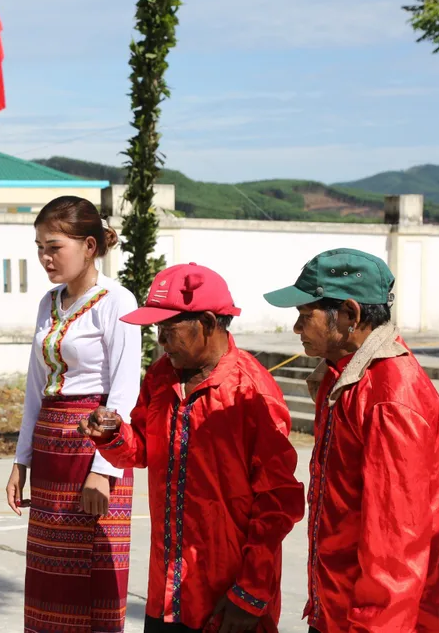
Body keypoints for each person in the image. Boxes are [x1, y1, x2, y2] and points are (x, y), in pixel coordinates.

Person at [80, 262, 304, 633]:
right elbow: (142, 451)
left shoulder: (250, 392)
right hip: (166, 593)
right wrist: (113, 434)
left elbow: (278, 504)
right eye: (158, 331)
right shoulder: (162, 377)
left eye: (169, 330)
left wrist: (250, 592)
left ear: (209, 324)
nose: (161, 342)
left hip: (227, 601)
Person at [263, 249, 439, 633]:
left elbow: (396, 545)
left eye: (306, 316)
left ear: (350, 316)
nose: (296, 329)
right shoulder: (346, 376)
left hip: (378, 619)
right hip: (339, 609)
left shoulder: (391, 397)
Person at [5, 196, 142, 633]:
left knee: (93, 574)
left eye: (54, 247)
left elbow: (124, 391)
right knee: (51, 575)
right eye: (39, 247)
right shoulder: (49, 303)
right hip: (50, 450)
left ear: (88, 245)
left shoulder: (117, 301)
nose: (45, 258)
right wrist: (21, 459)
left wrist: (104, 470)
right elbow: (34, 387)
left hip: (95, 446)